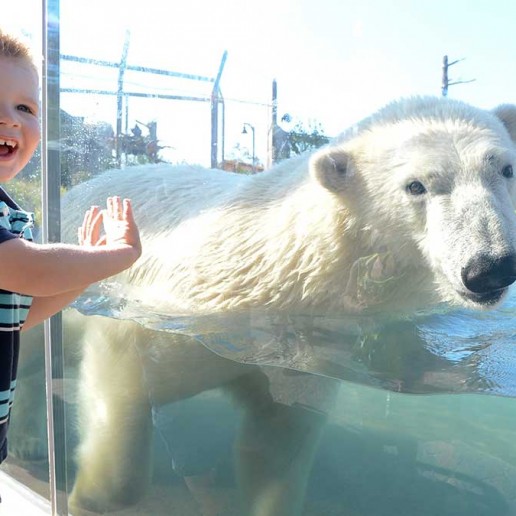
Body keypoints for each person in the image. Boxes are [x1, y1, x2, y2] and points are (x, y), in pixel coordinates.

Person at [0, 29, 142, 470]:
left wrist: (84, 270)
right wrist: (117, 256)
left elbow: (21, 313)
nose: (11, 119)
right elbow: (30, 270)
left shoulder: (7, 212)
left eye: (25, 107)